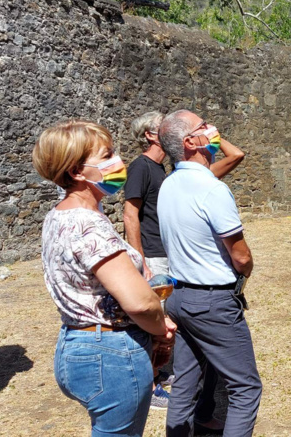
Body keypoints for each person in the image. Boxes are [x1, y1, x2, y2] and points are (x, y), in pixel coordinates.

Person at [32, 120, 176, 436]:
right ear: (76, 172)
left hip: (75, 343)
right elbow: (138, 303)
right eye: (107, 155)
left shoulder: (59, 215)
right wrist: (161, 328)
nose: (117, 161)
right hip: (109, 353)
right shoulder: (89, 225)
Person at [123, 111, 245, 421]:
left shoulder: (171, 175)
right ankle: (154, 384)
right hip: (158, 258)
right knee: (160, 330)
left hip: (177, 265)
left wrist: (210, 137)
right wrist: (141, 262)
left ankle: (176, 391)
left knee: (185, 362)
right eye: (203, 126)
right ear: (153, 136)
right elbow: (130, 214)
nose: (210, 129)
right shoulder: (142, 168)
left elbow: (234, 157)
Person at [157, 110, 261, 437]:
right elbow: (240, 255)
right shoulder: (212, 189)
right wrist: (245, 271)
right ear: (190, 142)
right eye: (203, 126)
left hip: (179, 297)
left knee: (185, 385)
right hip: (212, 302)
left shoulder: (169, 185)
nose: (212, 129)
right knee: (245, 388)